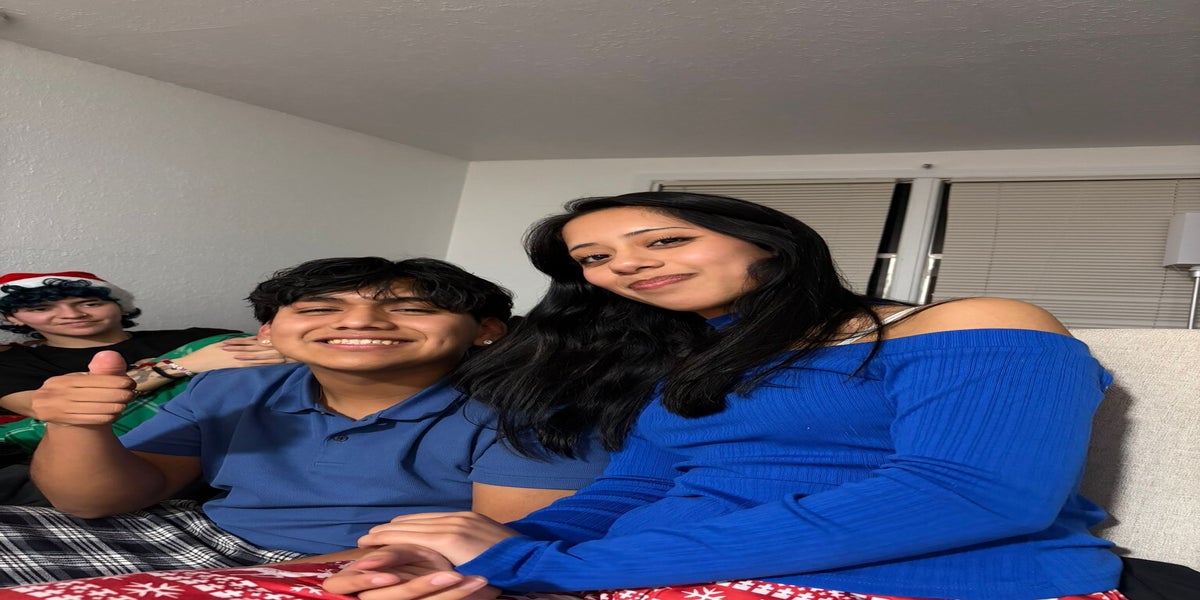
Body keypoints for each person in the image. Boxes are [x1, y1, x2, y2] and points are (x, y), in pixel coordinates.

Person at [320, 192, 1125, 600]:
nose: (624, 266)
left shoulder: (975, 321)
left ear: (769, 245)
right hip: (650, 572)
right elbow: (633, 491)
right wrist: (477, 554)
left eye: (665, 239)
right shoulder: (689, 363)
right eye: (595, 258)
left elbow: (970, 494)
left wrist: (543, 567)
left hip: (910, 577)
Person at [0, 257, 606, 585]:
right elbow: (97, 502)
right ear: (269, 332)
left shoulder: (531, 407)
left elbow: (498, 541)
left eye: (412, 308)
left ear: (486, 331)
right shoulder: (230, 385)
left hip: (379, 560)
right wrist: (75, 426)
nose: (360, 322)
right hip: (201, 535)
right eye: (319, 307)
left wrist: (275, 576)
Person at [0, 271, 282, 505]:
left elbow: (279, 360)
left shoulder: (199, 337)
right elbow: (47, 408)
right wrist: (182, 365)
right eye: (40, 308)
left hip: (230, 439)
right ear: (14, 318)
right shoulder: (13, 362)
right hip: (95, 456)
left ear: (118, 305)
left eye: (90, 303)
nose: (72, 314)